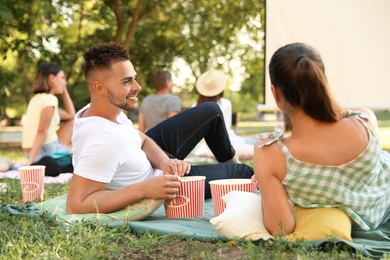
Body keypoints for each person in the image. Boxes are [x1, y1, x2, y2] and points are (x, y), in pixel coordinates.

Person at [66, 42, 253, 214]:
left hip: (155, 163)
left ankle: (228, 165)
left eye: (134, 79)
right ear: (100, 88)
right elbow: (76, 204)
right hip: (160, 183)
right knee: (245, 173)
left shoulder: (103, 112)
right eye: (126, 81)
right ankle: (233, 174)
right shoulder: (105, 140)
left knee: (212, 111)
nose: (137, 86)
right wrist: (145, 189)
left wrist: (165, 163)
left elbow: (144, 139)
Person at [253, 42, 390, 236]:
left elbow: (280, 227)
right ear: (323, 80)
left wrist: (267, 184)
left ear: (275, 93)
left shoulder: (270, 154)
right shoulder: (365, 119)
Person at [192, 70, 254, 161]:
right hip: (229, 143)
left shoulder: (194, 106)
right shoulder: (225, 104)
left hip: (208, 146)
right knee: (255, 140)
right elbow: (226, 129)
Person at [22, 63, 75, 165]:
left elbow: (71, 116)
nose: (65, 82)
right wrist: (30, 162)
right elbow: (42, 131)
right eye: (62, 78)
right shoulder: (50, 100)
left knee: (72, 122)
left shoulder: (36, 99)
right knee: (78, 148)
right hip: (43, 151)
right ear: (52, 78)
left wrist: (64, 91)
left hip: (31, 151)